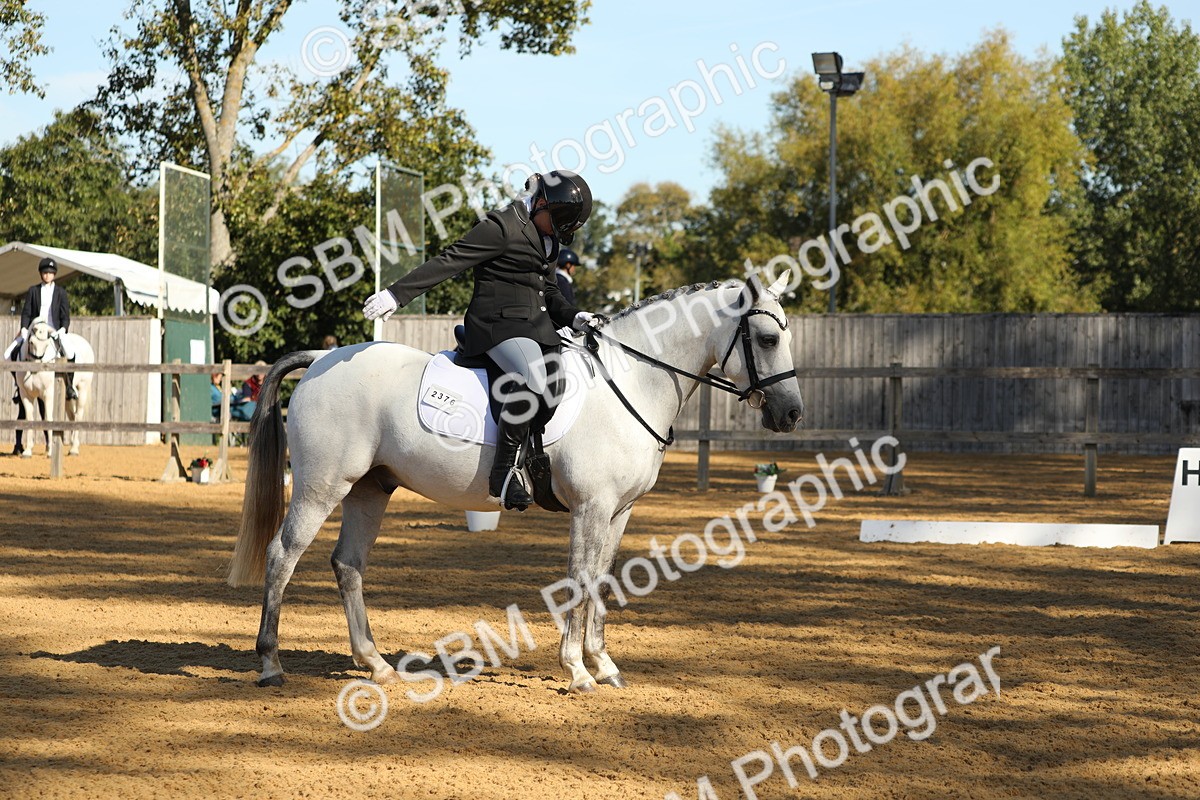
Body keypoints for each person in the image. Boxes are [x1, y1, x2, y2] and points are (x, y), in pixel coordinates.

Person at [363, 170, 600, 511]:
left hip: (536, 327)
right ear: (542, 204)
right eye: (556, 223)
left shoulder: (549, 237)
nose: (556, 233)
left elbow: (548, 290)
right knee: (533, 378)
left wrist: (574, 315)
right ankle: (502, 473)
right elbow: (450, 260)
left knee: (557, 383)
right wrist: (395, 295)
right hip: (496, 326)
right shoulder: (500, 227)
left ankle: (532, 456)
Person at [6, 257, 77, 402]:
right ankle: (19, 385)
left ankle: (69, 387)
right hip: (35, 330)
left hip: (53, 330)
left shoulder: (61, 293)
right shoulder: (33, 291)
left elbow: (65, 315)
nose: (47, 275)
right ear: (41, 274)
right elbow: (26, 312)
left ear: (54, 274)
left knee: (70, 352)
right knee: (8, 354)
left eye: (50, 273)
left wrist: (63, 329)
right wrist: (24, 328)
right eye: (45, 273)